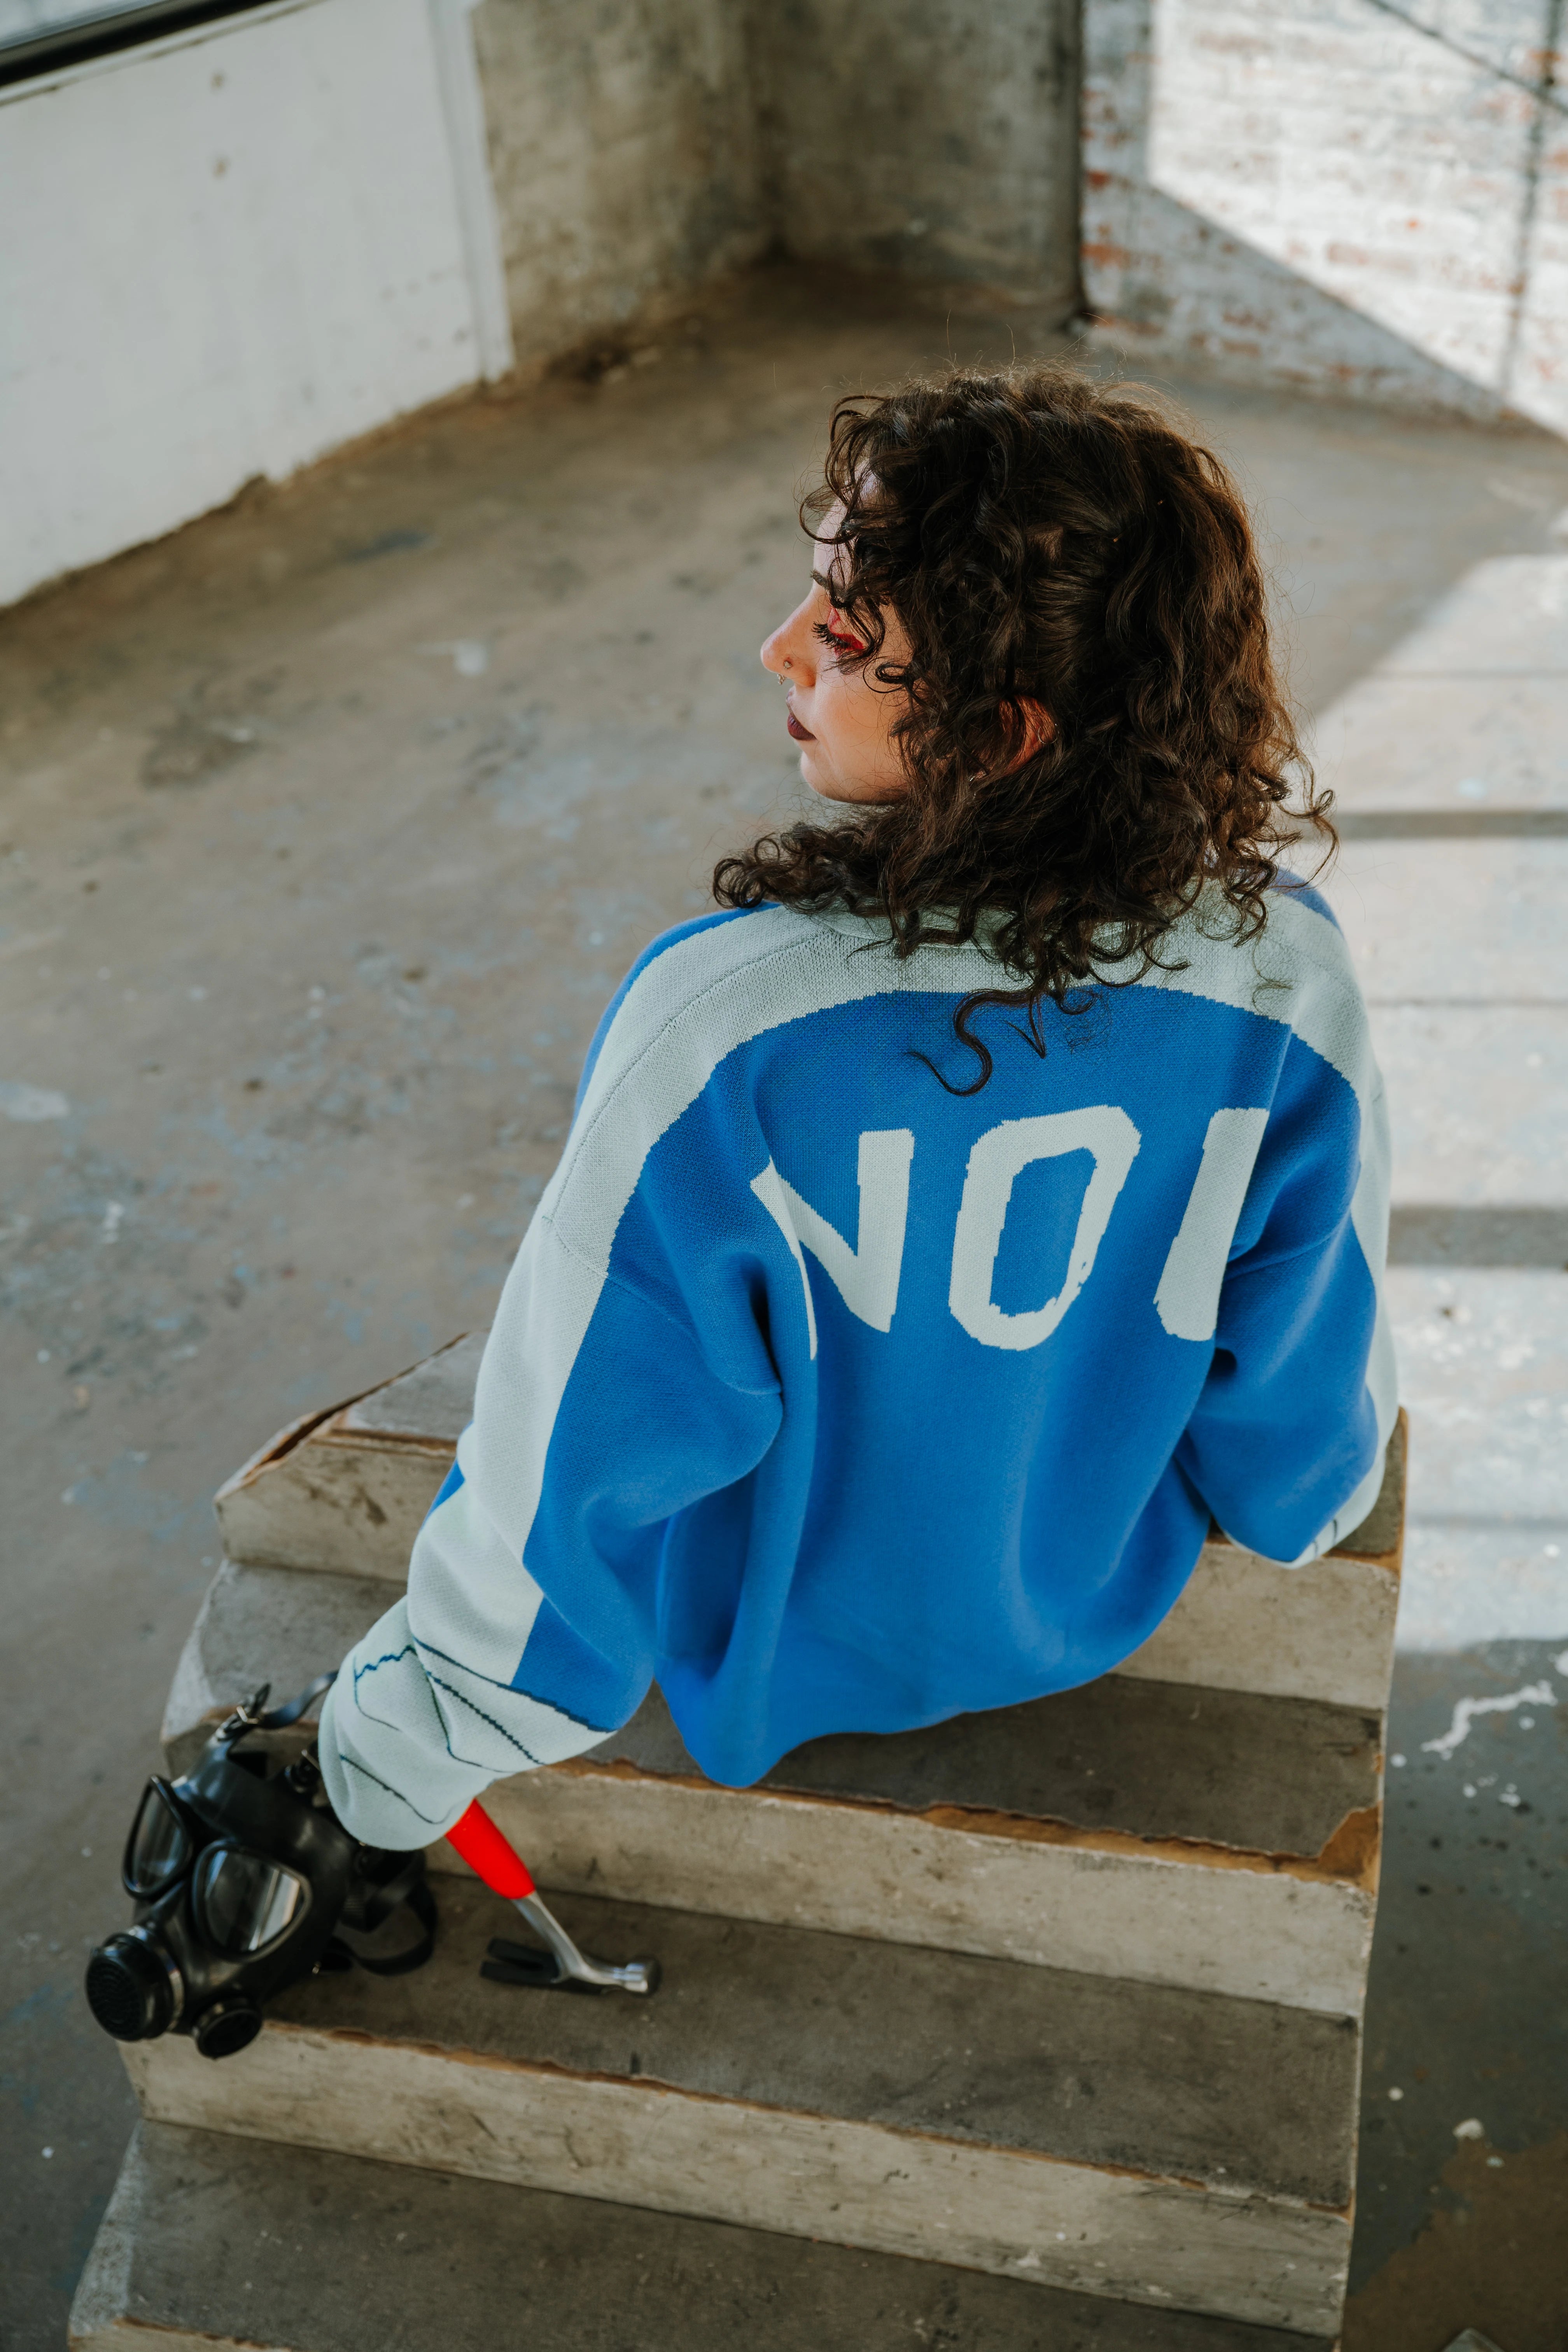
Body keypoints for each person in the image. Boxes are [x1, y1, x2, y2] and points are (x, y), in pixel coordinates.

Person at [317, 364, 1394, 1847]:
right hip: (1083, 1610)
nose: (774, 647)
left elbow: (578, 1434)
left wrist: (432, 1717)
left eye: (840, 634)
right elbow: (1305, 1420)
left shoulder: (722, 1029)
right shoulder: (1290, 983)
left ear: (999, 737)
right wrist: (1309, 1502)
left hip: (771, 1659)